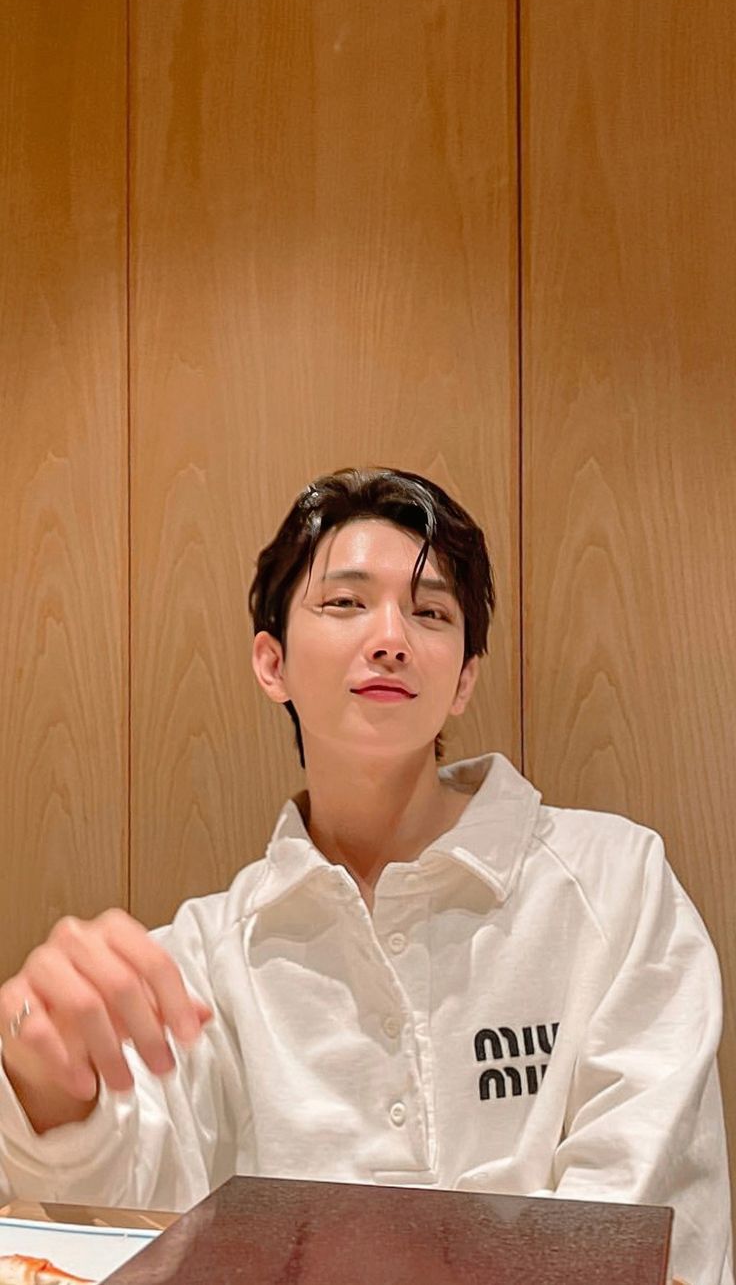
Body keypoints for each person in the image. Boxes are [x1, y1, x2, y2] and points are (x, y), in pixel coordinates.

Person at [0, 466, 731, 1285]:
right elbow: (116, 1223)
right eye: (345, 603)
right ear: (271, 663)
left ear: (463, 680)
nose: (390, 637)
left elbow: (649, 1226)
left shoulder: (615, 885)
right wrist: (42, 1083)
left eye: (431, 612)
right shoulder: (202, 960)